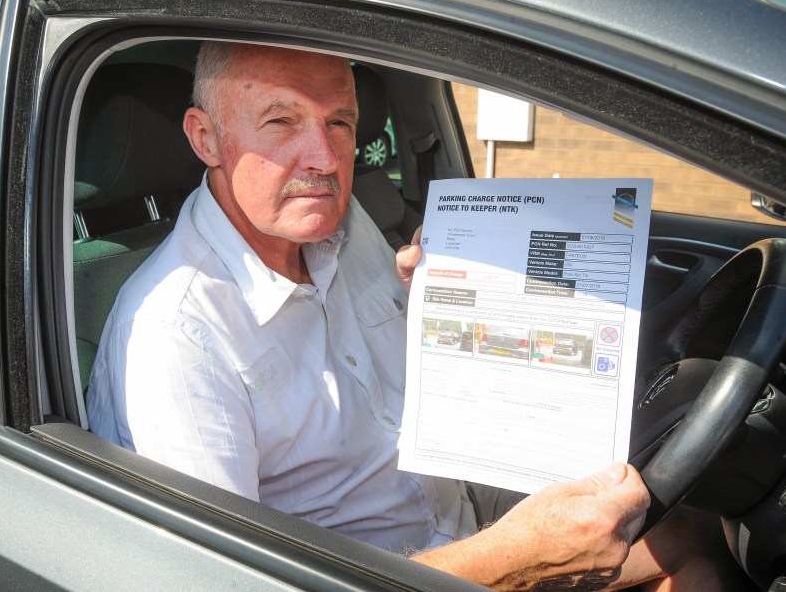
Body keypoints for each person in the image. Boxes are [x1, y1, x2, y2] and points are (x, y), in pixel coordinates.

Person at [85, 42, 742, 590]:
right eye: (281, 122)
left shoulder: (337, 226)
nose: (323, 158)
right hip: (403, 574)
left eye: (340, 122)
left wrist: (436, 305)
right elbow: (228, 584)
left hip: (463, 523)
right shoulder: (176, 337)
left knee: (700, 534)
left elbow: (394, 380)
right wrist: (519, 555)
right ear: (206, 137)